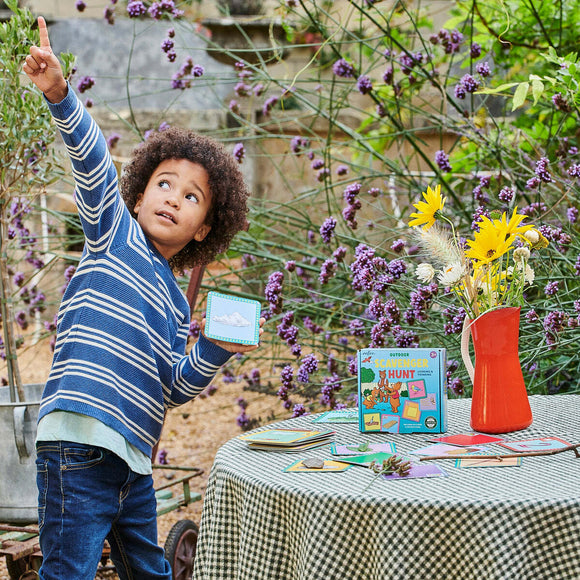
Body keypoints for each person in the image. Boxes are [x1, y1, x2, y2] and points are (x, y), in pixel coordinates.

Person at [23, 17, 264, 580]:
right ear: (135, 196)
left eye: (191, 196)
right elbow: (91, 165)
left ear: (205, 227)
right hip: (77, 446)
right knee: (70, 570)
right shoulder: (114, 233)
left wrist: (216, 347)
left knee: (149, 569)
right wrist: (61, 95)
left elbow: (174, 384)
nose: (173, 199)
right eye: (163, 183)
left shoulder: (175, 301)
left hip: (133, 461)